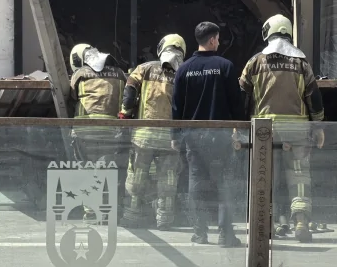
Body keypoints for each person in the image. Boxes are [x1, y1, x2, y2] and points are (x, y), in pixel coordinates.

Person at [239, 14, 325, 242]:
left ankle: (273, 223)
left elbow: (243, 99)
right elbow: (314, 99)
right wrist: (318, 126)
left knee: (266, 177)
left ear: (268, 32)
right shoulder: (301, 63)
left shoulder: (255, 62)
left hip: (265, 131)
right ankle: (301, 221)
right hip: (297, 130)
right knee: (299, 176)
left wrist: (238, 128)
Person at [172, 22, 243, 247]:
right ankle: (225, 235)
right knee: (224, 184)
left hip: (193, 136)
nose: (219, 42)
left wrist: (175, 135)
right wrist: (238, 132)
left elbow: (177, 106)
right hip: (220, 136)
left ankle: (200, 232)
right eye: (218, 39)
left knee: (196, 183)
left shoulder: (184, 69)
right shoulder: (226, 66)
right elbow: (236, 103)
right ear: (212, 40)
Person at [119, 34, 186, 230]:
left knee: (137, 174)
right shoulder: (183, 72)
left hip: (144, 135)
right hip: (171, 137)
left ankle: (132, 216)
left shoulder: (144, 68)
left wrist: (125, 113)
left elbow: (130, 90)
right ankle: (164, 219)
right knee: (168, 178)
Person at [68, 43, 127, 224]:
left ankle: (92, 213)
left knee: (87, 172)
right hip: (111, 130)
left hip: (85, 130)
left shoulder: (80, 74)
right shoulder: (120, 73)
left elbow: (70, 97)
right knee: (108, 172)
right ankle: (109, 212)